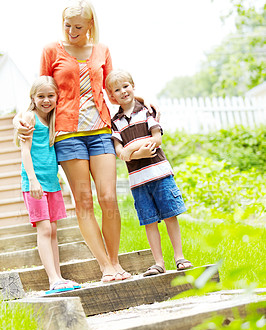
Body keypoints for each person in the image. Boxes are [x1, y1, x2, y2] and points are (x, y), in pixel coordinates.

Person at [13, 0, 133, 283]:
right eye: (67, 25)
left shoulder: (102, 50)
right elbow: (41, 89)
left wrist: (139, 100)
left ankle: (116, 263)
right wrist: (23, 115)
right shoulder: (51, 50)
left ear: (90, 25)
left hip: (101, 131)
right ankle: (105, 267)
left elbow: (111, 87)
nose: (71, 31)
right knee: (84, 201)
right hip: (68, 137)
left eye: (78, 26)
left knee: (109, 199)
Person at [105, 70, 193, 276]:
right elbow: (120, 153)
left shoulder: (146, 111)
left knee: (171, 216)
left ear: (133, 86)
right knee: (149, 221)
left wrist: (133, 150)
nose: (123, 91)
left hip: (160, 174)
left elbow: (156, 139)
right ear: (112, 95)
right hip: (138, 180)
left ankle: (179, 257)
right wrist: (134, 154)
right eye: (117, 90)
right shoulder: (115, 121)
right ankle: (158, 262)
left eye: (126, 86)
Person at [15, 76, 81, 294]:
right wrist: (33, 180)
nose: (46, 100)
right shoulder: (29, 117)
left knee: (53, 229)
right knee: (44, 229)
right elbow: (25, 151)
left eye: (50, 96)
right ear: (33, 97)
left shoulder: (53, 118)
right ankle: (52, 279)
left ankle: (59, 277)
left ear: (56, 97)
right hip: (35, 183)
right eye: (41, 96)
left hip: (52, 183)